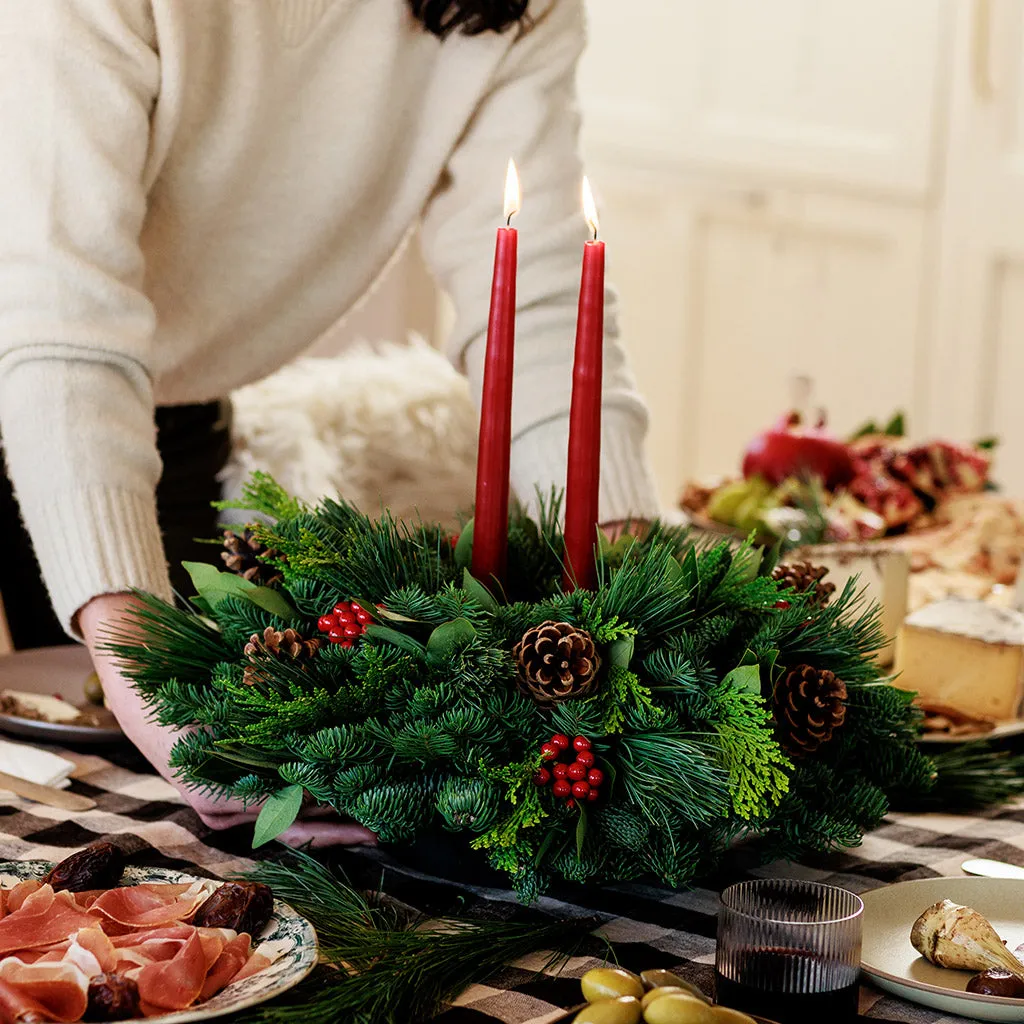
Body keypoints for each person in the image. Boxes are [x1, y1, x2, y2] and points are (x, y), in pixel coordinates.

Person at [0, 0, 660, 845]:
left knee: (166, 813)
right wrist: (139, 660)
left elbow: (541, 300)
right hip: (53, 368)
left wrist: (640, 586)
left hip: (163, 404)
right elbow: (60, 322)